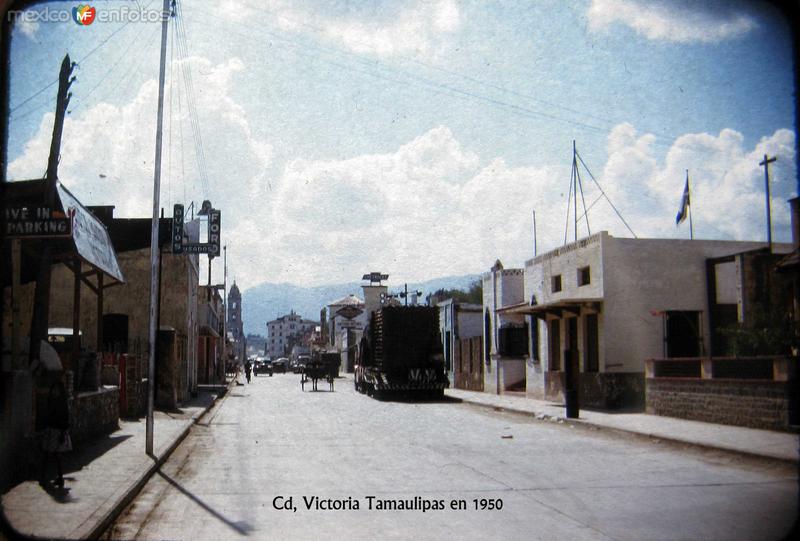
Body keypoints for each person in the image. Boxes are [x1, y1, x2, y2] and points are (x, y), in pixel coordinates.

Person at [40, 373, 71, 489]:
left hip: (57, 431)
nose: (54, 392)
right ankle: (45, 477)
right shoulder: (52, 401)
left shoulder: (62, 404)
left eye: (56, 390)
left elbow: (65, 418)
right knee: (47, 454)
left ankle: (58, 478)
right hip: (50, 429)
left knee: (55, 455)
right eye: (54, 390)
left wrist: (63, 432)